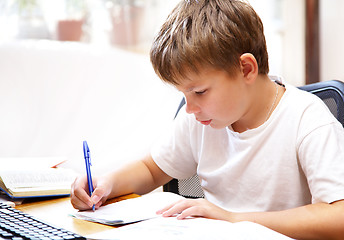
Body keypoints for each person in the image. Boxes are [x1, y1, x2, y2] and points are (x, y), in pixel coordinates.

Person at [71, 0, 344, 239]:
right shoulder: (201, 120)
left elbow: (338, 219)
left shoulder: (308, 120)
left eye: (199, 91)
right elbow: (152, 169)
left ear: (246, 69)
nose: (189, 108)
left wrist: (234, 219)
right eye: (184, 93)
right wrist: (105, 184)